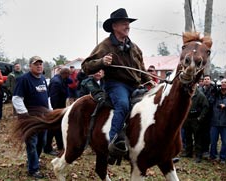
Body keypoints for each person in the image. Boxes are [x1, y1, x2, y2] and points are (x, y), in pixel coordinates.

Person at [81, 8, 153, 157]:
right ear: (114, 26)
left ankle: (151, 144)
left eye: (128, 23)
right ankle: (113, 143)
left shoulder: (135, 48)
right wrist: (102, 61)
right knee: (123, 104)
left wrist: (150, 82)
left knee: (154, 105)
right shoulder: (105, 46)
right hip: (116, 85)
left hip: (135, 86)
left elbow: (142, 69)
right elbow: (86, 66)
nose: (127, 26)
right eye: (124, 23)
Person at [12, 56, 51, 179]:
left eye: (41, 64)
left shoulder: (43, 79)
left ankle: (34, 161)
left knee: (42, 142)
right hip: (30, 118)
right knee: (32, 143)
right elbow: (16, 98)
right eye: (36, 64)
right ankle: (33, 169)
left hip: (43, 117)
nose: (39, 66)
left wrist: (51, 111)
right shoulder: (23, 79)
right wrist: (25, 115)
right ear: (30, 66)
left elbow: (47, 97)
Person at [44, 67, 71, 156]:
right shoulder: (56, 82)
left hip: (59, 107)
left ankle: (60, 146)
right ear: (65, 74)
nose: (69, 77)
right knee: (52, 128)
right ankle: (47, 148)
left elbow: (70, 81)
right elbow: (53, 98)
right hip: (55, 108)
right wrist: (56, 111)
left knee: (58, 128)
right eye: (68, 75)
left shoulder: (62, 79)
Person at [181, 88, 209, 163]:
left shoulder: (200, 95)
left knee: (198, 138)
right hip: (187, 118)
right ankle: (188, 153)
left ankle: (198, 155)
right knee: (188, 136)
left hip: (196, 119)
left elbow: (206, 107)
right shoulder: (186, 94)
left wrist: (200, 118)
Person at [198, 75, 216, 158]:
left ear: (210, 80)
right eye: (205, 79)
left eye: (208, 79)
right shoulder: (200, 89)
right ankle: (200, 149)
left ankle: (206, 150)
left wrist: (205, 104)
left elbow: (211, 101)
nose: (206, 80)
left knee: (207, 133)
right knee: (200, 133)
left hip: (209, 114)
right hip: (200, 113)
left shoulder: (213, 89)